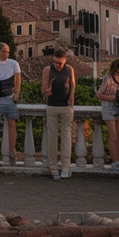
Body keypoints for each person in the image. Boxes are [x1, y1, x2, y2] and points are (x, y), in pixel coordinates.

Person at [42, 48, 76, 180]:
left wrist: (71, 98)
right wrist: (47, 91)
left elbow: (73, 84)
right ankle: (53, 167)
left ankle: (66, 167)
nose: (58, 65)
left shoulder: (70, 69)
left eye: (60, 63)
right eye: (56, 62)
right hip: (52, 107)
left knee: (66, 137)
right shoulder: (47, 70)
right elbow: (43, 91)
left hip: (66, 107)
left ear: (65, 60)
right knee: (52, 138)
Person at [0, 43, 21, 165]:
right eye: (5, 51)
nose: (7, 54)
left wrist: (16, 93)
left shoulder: (14, 64)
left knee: (12, 125)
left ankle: (12, 154)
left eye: (8, 51)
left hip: (10, 99)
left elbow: (18, 79)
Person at [96, 58, 119, 172]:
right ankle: (114, 161)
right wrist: (113, 98)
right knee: (113, 136)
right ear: (118, 69)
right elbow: (99, 94)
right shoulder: (107, 79)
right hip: (109, 108)